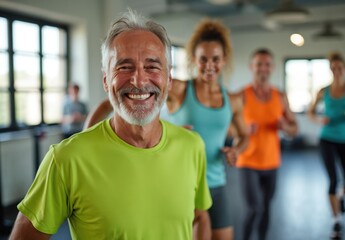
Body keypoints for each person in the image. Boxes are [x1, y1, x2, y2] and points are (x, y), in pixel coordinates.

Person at [9, 9, 212, 240]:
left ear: (169, 78)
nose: (139, 80)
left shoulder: (192, 146)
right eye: (124, 67)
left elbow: (200, 218)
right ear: (106, 80)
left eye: (152, 66)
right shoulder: (66, 158)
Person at [166, 19, 248, 240]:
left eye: (215, 59)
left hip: (216, 182)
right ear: (194, 59)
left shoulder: (233, 100)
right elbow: (139, 103)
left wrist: (236, 151)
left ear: (224, 60)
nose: (209, 65)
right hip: (181, 183)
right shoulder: (180, 89)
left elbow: (244, 136)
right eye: (203, 59)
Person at [234, 48, 298, 240]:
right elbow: (227, 128)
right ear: (251, 67)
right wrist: (242, 129)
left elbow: (295, 128)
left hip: (272, 162)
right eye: (259, 64)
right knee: (255, 207)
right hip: (248, 161)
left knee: (267, 208)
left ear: (273, 67)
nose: (263, 68)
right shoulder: (241, 95)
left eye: (267, 64)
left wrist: (285, 126)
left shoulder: (280, 96)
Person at [308, 52, 345, 239]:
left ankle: (342, 196)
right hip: (327, 139)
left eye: (340, 68)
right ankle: (336, 221)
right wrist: (319, 119)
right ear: (330, 69)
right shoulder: (323, 90)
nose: (336, 71)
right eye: (333, 68)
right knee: (333, 180)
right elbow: (310, 113)